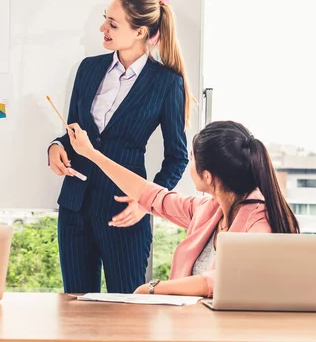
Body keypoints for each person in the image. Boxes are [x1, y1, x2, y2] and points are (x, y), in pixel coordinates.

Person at [48, 0, 191, 293]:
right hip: (75, 206)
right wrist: (57, 146)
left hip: (125, 210)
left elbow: (178, 157)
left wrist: (149, 204)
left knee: (130, 312)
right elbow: (74, 130)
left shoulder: (166, 83)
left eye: (113, 24)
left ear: (140, 31)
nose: (103, 28)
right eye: (105, 20)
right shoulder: (88, 69)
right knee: (76, 311)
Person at [67, 120, 300, 297]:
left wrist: (155, 288)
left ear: (207, 177)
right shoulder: (209, 210)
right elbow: (149, 193)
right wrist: (92, 154)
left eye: (191, 159)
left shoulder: (260, 225)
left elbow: (222, 280)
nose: (189, 166)